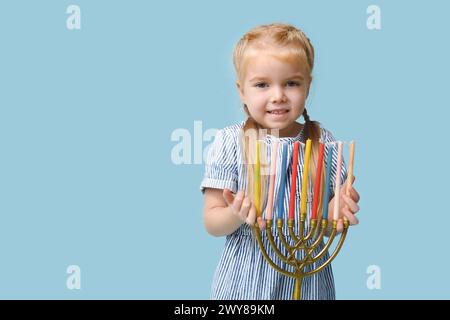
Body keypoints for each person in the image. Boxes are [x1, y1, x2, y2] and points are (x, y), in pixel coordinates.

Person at [200, 23, 360, 300]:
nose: (278, 95)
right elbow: (212, 221)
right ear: (242, 91)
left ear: (308, 86)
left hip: (309, 284)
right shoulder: (230, 142)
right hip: (245, 287)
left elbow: (329, 226)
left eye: (291, 83)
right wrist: (235, 214)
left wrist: (336, 213)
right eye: (262, 84)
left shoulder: (324, 142)